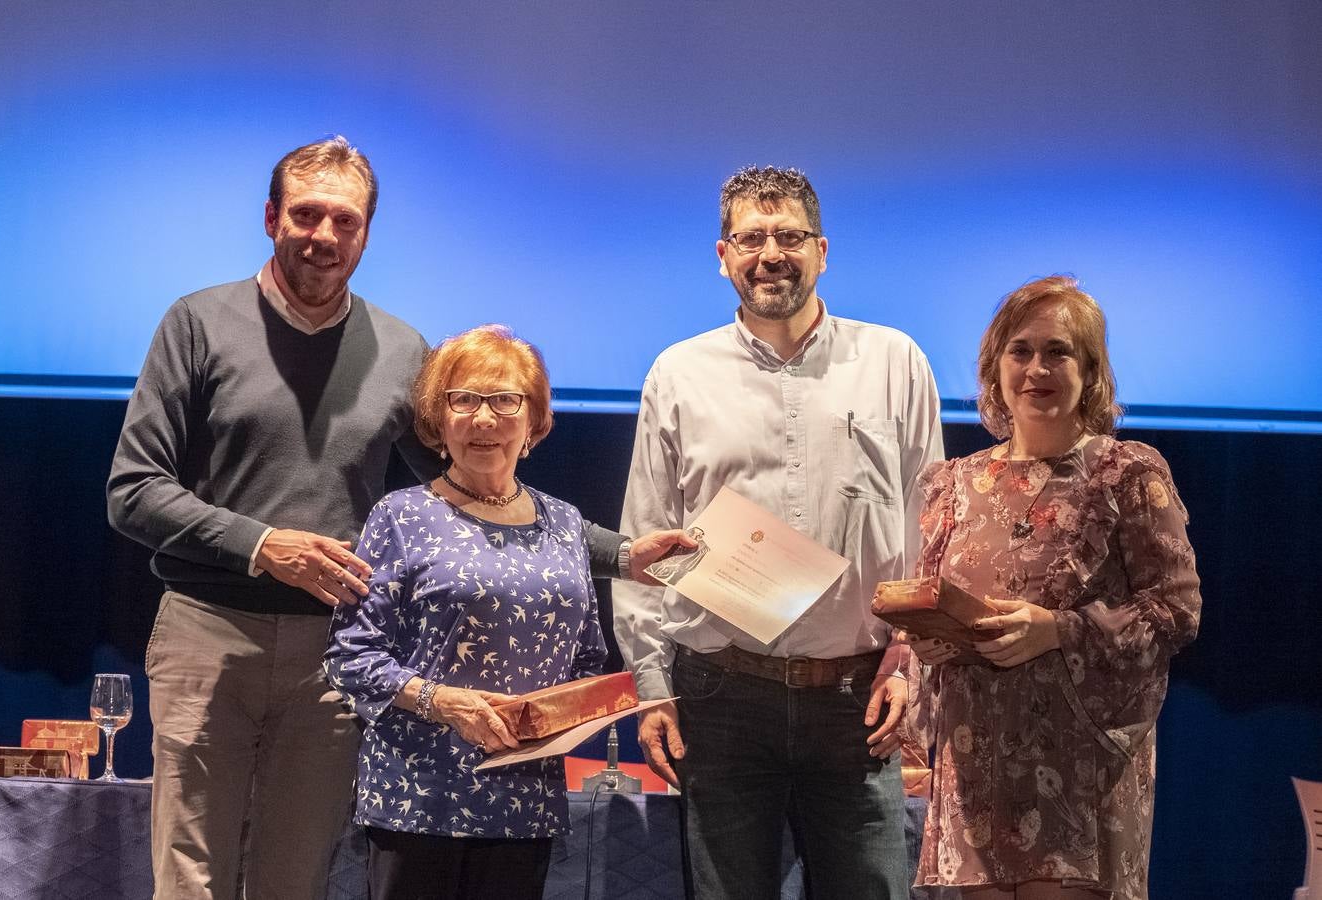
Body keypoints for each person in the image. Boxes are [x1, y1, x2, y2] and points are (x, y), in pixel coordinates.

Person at [106, 136, 683, 900]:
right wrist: (260, 544)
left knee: (295, 876)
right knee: (191, 877)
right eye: (306, 215)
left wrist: (623, 554)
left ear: (365, 234)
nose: (323, 236)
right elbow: (134, 490)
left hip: (330, 654)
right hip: (210, 633)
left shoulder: (400, 349)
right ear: (272, 217)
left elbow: (475, 491)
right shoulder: (197, 322)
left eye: (343, 221)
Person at [613, 165, 944, 899]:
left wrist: (911, 656)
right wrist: (651, 689)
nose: (771, 253)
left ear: (822, 251)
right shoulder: (678, 373)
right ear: (722, 254)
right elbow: (645, 543)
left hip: (854, 696)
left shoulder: (894, 362)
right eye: (751, 237)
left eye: (789, 236)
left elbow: (933, 532)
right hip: (721, 695)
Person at [907, 276, 1201, 900]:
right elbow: (933, 604)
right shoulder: (949, 483)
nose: (1037, 368)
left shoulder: (1127, 473)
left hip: (1077, 765)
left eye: (1058, 351)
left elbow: (1176, 613)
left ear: (1090, 371)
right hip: (974, 768)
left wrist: (1058, 630)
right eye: (1021, 350)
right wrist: (931, 642)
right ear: (995, 368)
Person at [324, 325, 605, 900]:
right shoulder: (400, 517)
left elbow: (587, 656)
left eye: (505, 400)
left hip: (524, 799)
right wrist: (445, 702)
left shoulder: (567, 524)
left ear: (534, 422)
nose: (484, 419)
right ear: (438, 418)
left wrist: (574, 713)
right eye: (464, 400)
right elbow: (350, 654)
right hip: (419, 796)